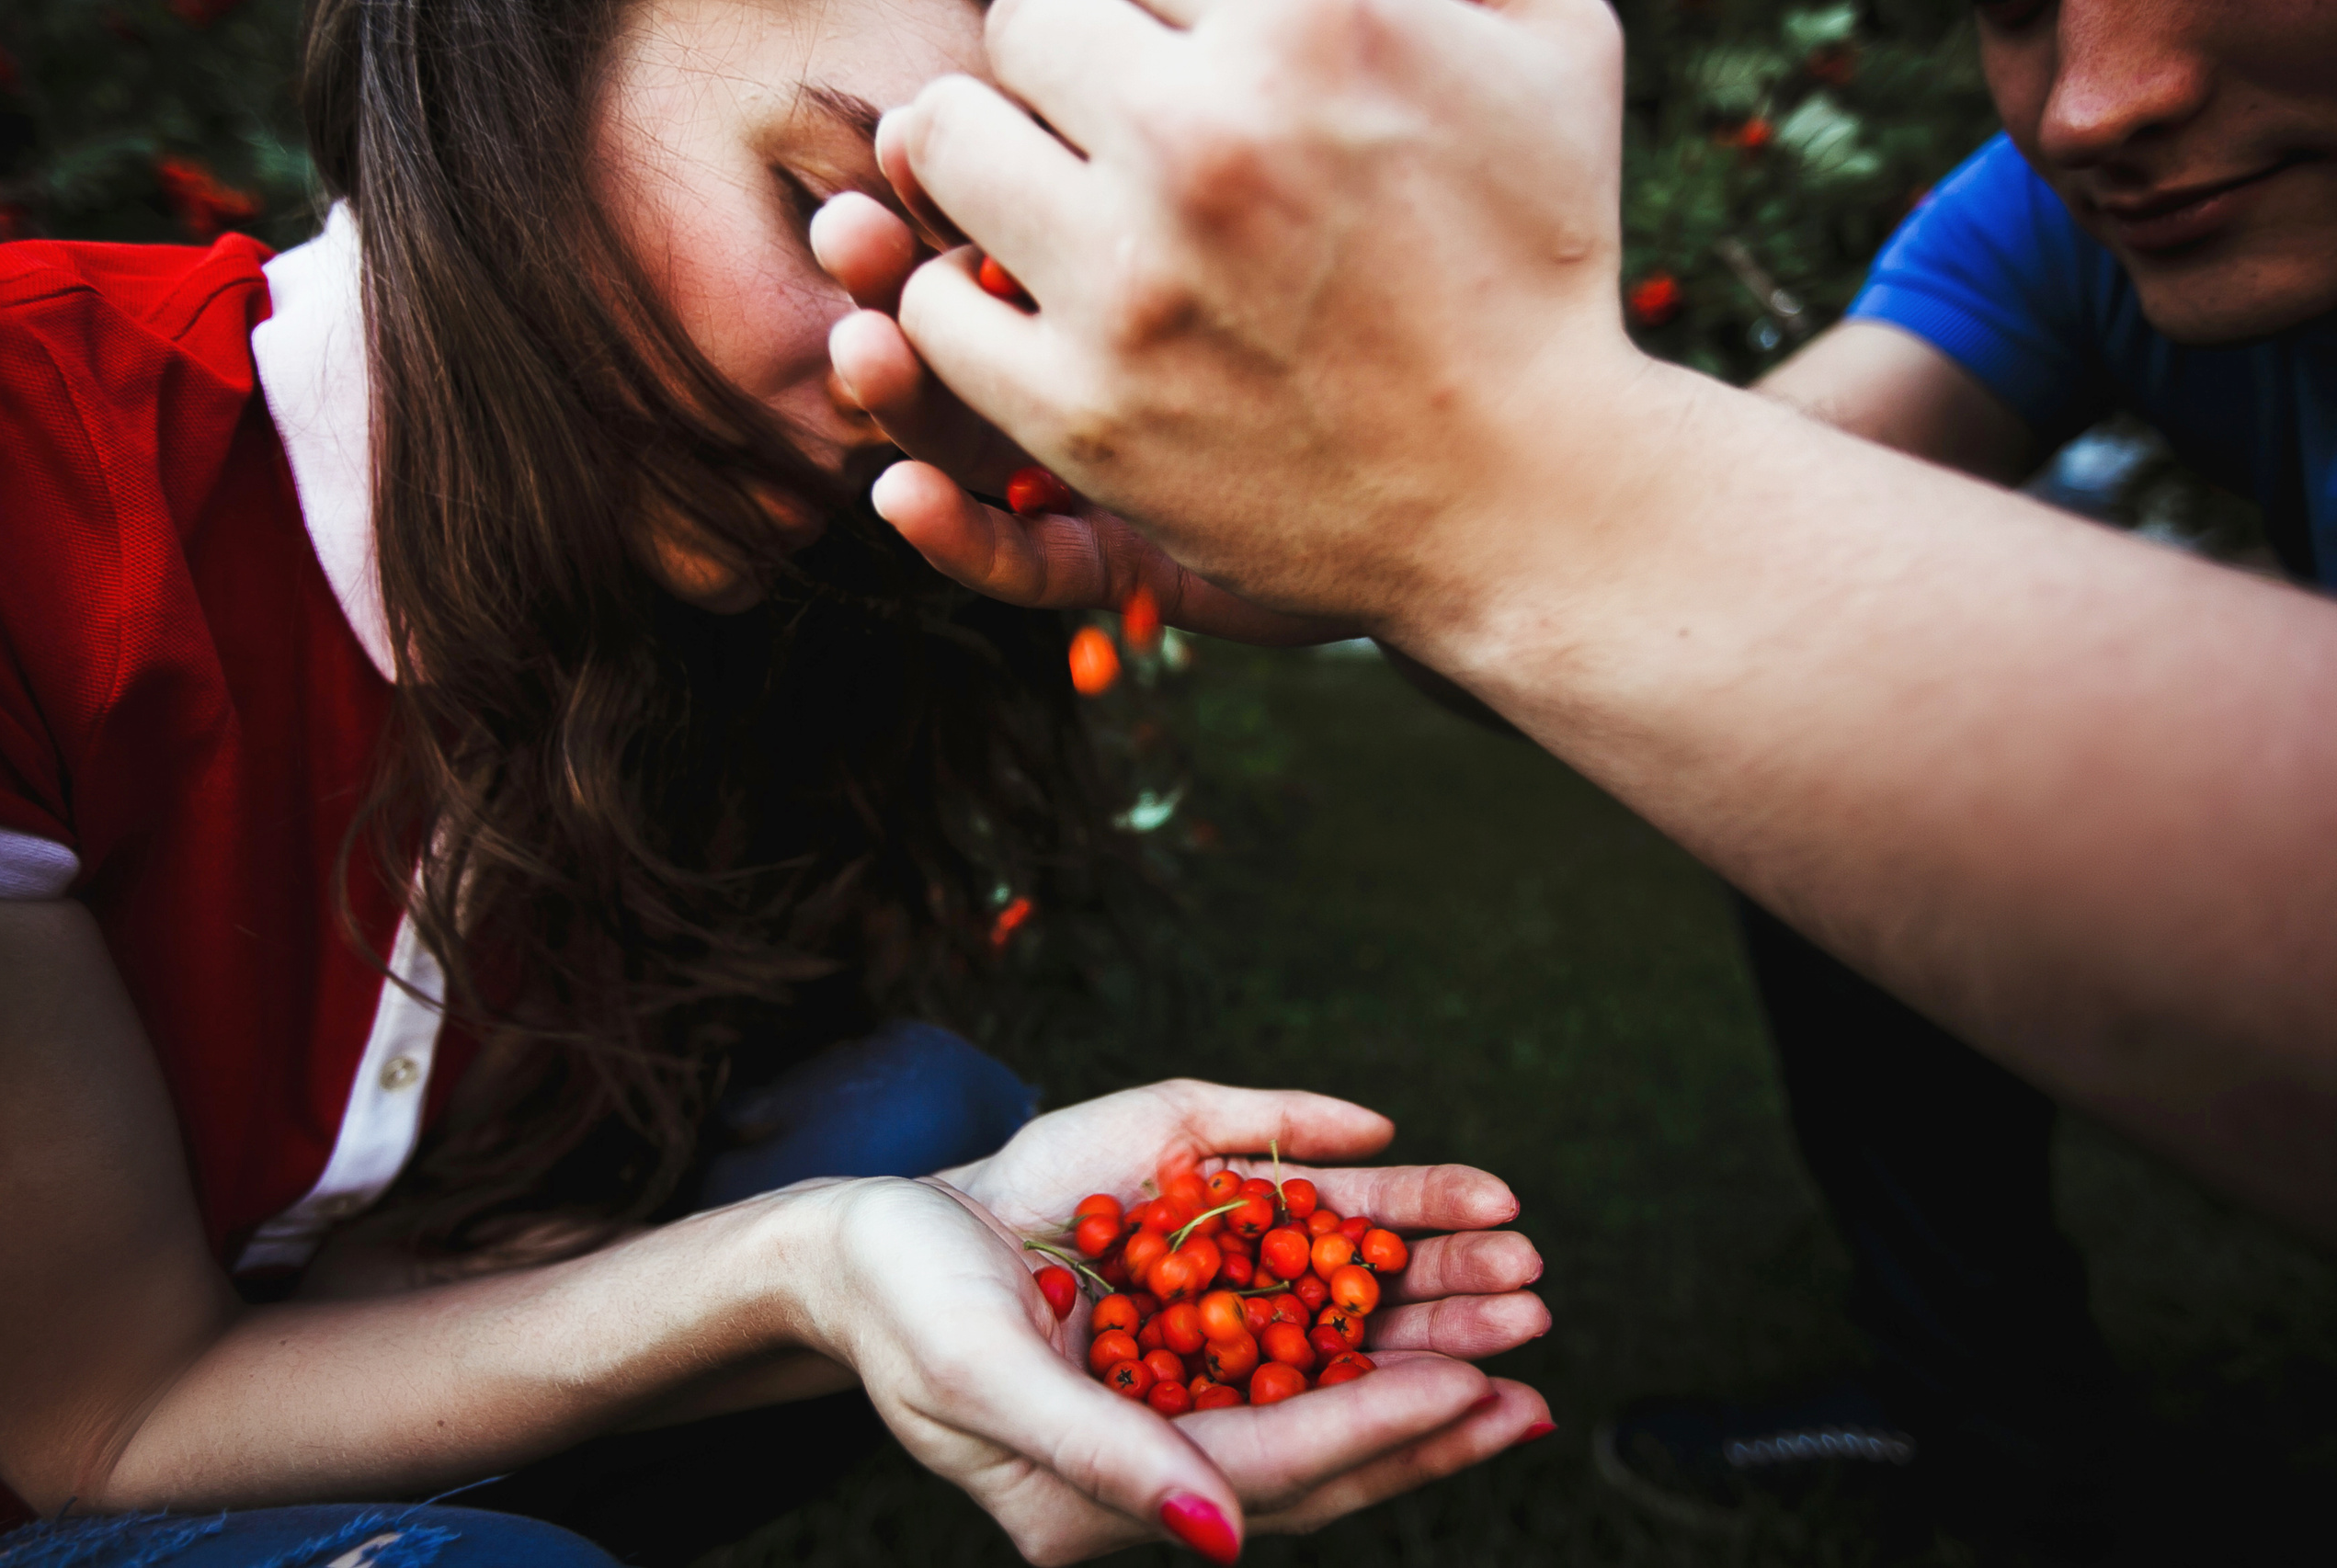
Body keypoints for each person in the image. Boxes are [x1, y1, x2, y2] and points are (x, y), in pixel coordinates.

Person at [0, 0, 1558, 1562]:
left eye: (1011, 304)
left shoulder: (726, 610)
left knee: (933, 1136)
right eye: (827, 210)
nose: (903, 391)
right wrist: (793, 1281)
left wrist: (1354, 539)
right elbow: (106, 1425)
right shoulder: (24, 482)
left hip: (273, 1347)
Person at [804, 0, 2337, 1547]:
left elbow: (1617, 536)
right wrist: (1396, 531)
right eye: (2013, 7)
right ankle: (1996, 1418)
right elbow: (1722, 579)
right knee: (1785, 751)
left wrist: (1501, 480)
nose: (2090, 108)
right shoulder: (2042, 220)